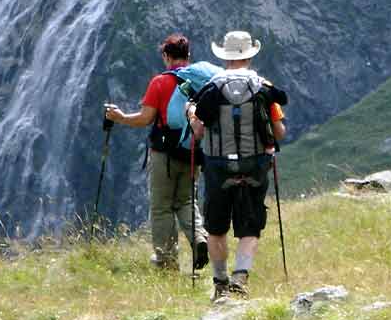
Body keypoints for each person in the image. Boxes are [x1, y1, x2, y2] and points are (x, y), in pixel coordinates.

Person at [188, 30, 288, 300]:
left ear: (225, 56)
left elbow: (198, 132)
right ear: (250, 54)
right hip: (255, 164)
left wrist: (190, 114)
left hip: (218, 166)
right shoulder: (263, 88)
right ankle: (240, 277)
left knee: (216, 227)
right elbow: (279, 133)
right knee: (251, 224)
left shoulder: (211, 89)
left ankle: (219, 284)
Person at [103, 34, 213, 271]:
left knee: (162, 207)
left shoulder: (160, 82)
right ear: (188, 56)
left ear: (166, 56)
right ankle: (200, 239)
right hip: (193, 151)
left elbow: (145, 118)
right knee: (185, 201)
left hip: (164, 154)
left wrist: (120, 117)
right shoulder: (201, 80)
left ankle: (166, 260)